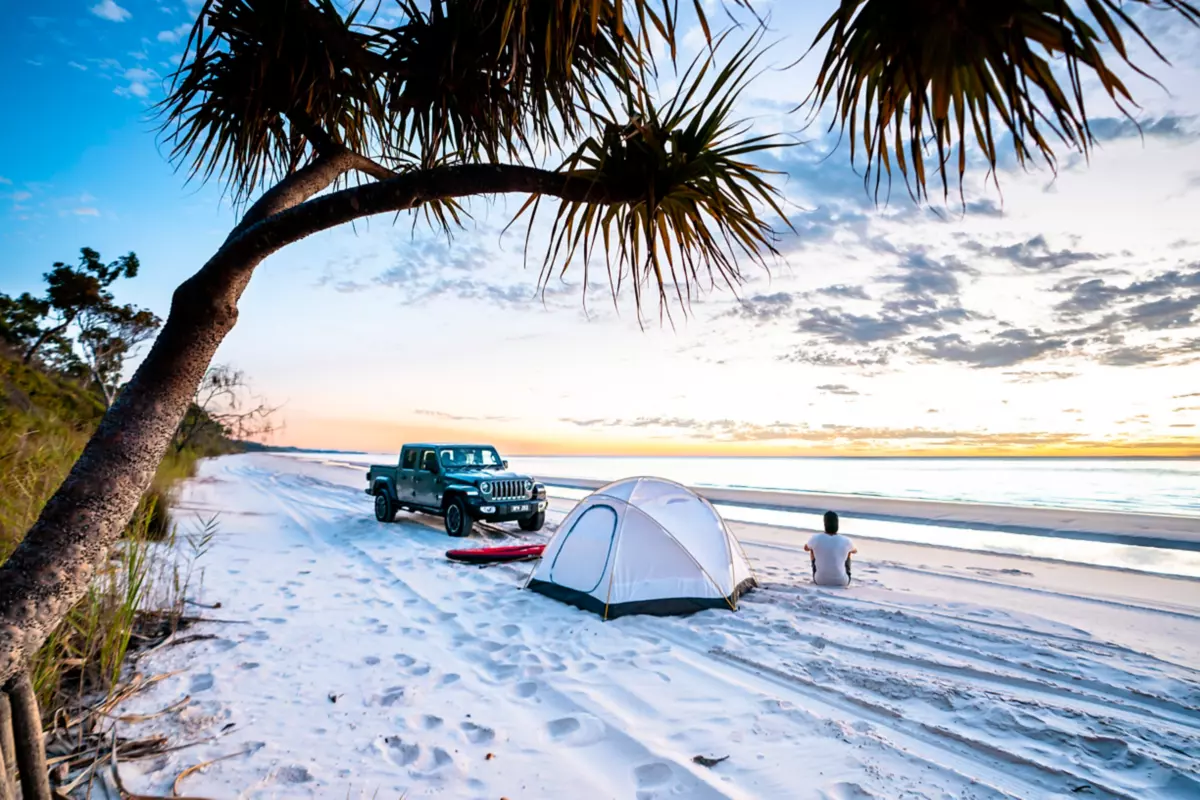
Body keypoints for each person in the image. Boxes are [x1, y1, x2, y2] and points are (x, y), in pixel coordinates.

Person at [804, 511, 857, 587]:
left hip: (820, 581)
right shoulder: (846, 540)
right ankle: (843, 572)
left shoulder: (816, 538)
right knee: (848, 551)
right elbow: (855, 551)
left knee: (812, 548)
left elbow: (806, 548)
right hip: (842, 582)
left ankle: (821, 572)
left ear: (824, 524)